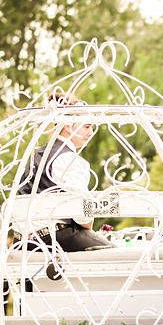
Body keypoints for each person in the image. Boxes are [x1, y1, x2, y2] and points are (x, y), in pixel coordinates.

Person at [17, 91, 111, 252]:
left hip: (23, 241)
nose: (90, 132)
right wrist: (88, 226)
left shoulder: (37, 154)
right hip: (54, 238)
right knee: (113, 252)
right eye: (87, 126)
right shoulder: (70, 159)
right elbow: (82, 212)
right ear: (67, 126)